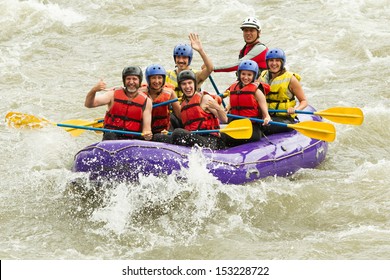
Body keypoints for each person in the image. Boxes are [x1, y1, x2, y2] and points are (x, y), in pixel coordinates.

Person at [84, 66, 153, 141]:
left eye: (134, 79)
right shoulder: (112, 95)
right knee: (110, 135)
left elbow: (146, 130)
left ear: (139, 81)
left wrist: (147, 135)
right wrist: (94, 90)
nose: (131, 82)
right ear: (124, 81)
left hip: (132, 140)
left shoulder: (147, 101)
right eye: (128, 79)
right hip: (112, 137)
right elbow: (89, 104)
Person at [166, 33, 214, 128]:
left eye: (184, 58)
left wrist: (200, 50)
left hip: (192, 116)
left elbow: (210, 68)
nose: (181, 60)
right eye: (178, 57)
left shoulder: (195, 75)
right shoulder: (167, 75)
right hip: (174, 116)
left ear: (190, 59)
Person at [171, 70, 227, 150]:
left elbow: (224, 119)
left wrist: (218, 108)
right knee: (159, 137)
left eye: (190, 83)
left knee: (177, 133)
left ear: (194, 84)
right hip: (195, 138)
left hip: (211, 140)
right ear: (180, 87)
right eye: (184, 84)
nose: (187, 86)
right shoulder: (183, 105)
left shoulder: (205, 99)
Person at [258, 48, 308, 135]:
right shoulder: (262, 76)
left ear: (282, 62)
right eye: (271, 60)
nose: (274, 63)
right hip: (267, 115)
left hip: (285, 118)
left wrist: (295, 109)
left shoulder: (291, 79)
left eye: (277, 60)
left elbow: (304, 101)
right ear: (267, 62)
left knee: (264, 126)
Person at [222, 60, 271, 147]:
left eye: (249, 75)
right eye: (243, 74)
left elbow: (266, 114)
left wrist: (267, 118)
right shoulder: (234, 87)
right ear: (239, 74)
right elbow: (232, 102)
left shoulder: (257, 92)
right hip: (236, 124)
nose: (245, 77)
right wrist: (227, 108)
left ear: (254, 76)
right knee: (221, 136)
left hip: (252, 127)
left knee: (225, 137)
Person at [140, 64, 181, 143]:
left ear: (163, 79)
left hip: (164, 130)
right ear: (148, 79)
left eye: (159, 78)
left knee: (162, 137)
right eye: (153, 78)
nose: (157, 81)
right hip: (145, 131)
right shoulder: (140, 92)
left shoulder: (170, 93)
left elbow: (180, 114)